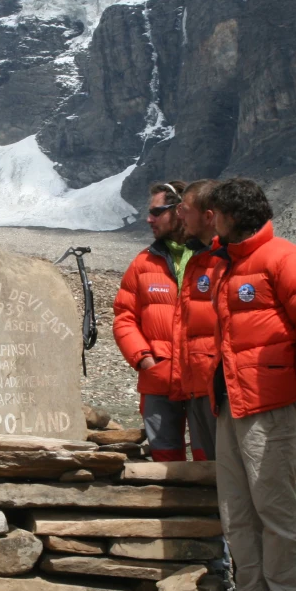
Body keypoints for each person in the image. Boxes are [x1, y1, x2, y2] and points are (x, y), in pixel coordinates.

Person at [208, 178, 296, 591]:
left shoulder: (286, 261)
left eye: (214, 213)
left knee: (274, 504)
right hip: (232, 398)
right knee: (236, 506)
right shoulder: (228, 263)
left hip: (271, 402)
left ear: (231, 215)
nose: (209, 221)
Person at [114, 181, 196, 462]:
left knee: (212, 463)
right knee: (165, 462)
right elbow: (124, 317)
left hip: (205, 382)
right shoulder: (143, 263)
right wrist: (143, 359)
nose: (149, 219)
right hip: (158, 380)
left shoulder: (214, 256)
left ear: (180, 210)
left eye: (156, 212)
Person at [169, 179, 221, 463]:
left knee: (227, 472)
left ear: (208, 216)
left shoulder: (226, 260)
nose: (179, 216)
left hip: (216, 387)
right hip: (196, 384)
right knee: (210, 473)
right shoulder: (197, 259)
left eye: (184, 209)